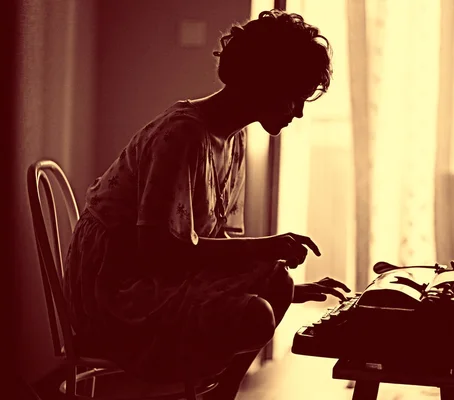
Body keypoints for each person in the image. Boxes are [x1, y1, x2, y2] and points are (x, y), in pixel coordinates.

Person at [63, 9, 350, 399]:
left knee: (278, 280)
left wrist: (289, 286)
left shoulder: (234, 137)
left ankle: (217, 397)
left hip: (155, 272)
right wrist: (265, 248)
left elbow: (215, 242)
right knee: (255, 314)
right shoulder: (183, 135)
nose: (298, 112)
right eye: (293, 97)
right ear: (265, 83)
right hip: (115, 287)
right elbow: (158, 252)